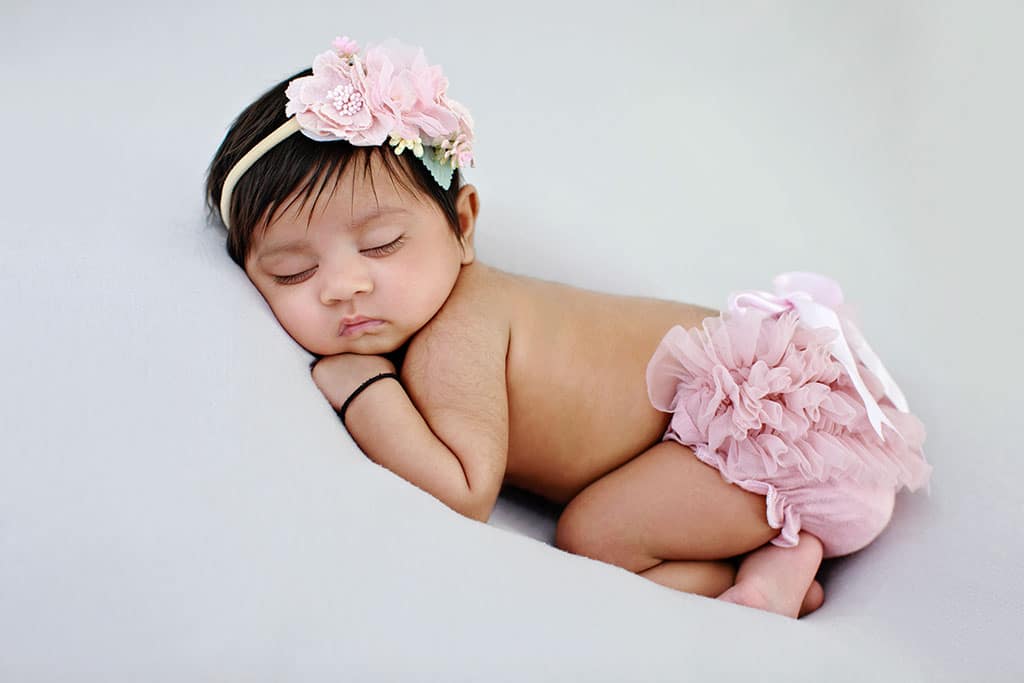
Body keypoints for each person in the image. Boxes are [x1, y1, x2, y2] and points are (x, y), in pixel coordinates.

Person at [204, 36, 932, 619]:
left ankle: (771, 567)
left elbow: (463, 489)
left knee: (593, 537)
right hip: (761, 421)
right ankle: (779, 563)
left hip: (779, 434)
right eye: (293, 271)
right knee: (610, 523)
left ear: (463, 226)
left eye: (382, 245)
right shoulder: (440, 314)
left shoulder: (459, 328)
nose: (343, 285)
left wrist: (363, 388)